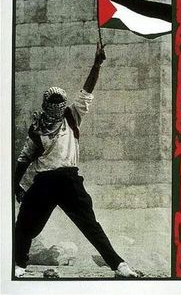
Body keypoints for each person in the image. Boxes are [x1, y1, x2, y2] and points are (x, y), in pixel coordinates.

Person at [14, 43, 137, 279]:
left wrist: (97, 64)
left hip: (69, 180)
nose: (56, 106)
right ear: (45, 104)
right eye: (53, 102)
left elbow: (87, 90)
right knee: (25, 225)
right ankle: (18, 266)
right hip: (44, 183)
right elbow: (23, 159)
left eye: (60, 101)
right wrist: (16, 186)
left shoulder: (72, 116)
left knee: (90, 225)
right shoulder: (37, 128)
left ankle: (119, 266)